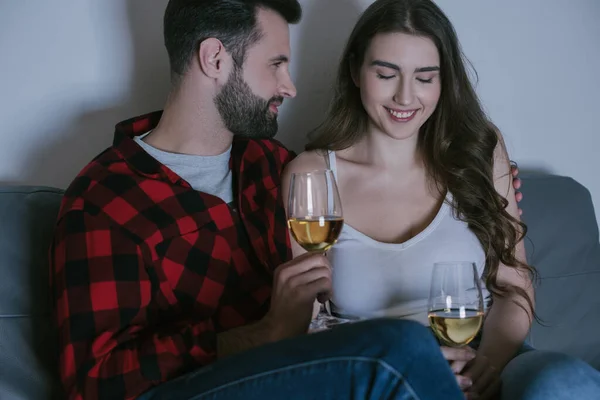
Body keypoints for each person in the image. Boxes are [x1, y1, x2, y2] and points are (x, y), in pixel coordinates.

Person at [48, 1, 479, 399]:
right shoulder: (105, 200)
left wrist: (475, 181)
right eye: (276, 65)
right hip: (190, 390)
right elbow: (92, 381)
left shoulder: (270, 166)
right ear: (215, 59)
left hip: (297, 375)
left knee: (409, 351)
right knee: (400, 348)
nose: (289, 87)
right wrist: (261, 334)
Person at [282, 1, 600, 399]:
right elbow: (305, 317)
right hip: (379, 376)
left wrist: (487, 367)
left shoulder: (479, 149)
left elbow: (513, 284)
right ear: (355, 72)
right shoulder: (312, 174)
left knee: (568, 383)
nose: (405, 96)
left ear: (444, 81)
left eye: (425, 78)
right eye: (386, 74)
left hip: (485, 357)